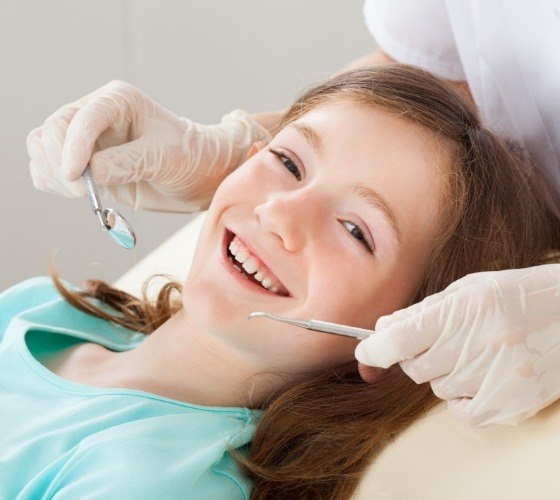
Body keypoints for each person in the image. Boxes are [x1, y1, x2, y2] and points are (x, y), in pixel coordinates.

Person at [11, 65, 559, 498]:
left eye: (354, 230)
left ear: (411, 327)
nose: (281, 213)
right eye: (289, 163)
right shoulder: (40, 312)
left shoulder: (151, 481)